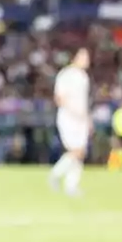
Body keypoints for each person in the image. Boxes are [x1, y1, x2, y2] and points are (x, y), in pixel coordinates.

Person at [50, 47, 91, 196]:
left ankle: (71, 185)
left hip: (81, 118)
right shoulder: (65, 75)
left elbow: (84, 101)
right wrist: (72, 111)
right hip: (68, 117)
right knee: (75, 150)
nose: (86, 60)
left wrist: (87, 118)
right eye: (83, 56)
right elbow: (59, 97)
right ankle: (56, 174)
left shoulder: (84, 77)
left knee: (81, 152)